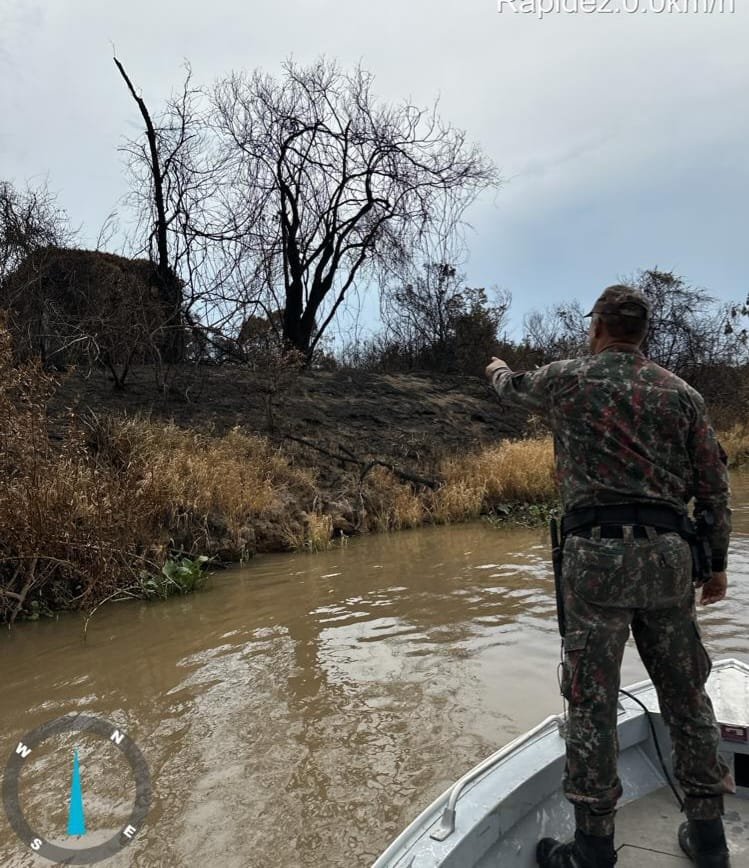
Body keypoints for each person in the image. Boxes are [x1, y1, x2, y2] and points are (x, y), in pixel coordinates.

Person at [485, 285, 735, 868]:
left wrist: (497, 368)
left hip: (594, 558)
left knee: (591, 700)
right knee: (686, 695)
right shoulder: (685, 395)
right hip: (670, 560)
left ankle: (593, 849)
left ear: (597, 327)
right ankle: (709, 838)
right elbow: (714, 489)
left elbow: (510, 389)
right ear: (642, 331)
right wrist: (717, 565)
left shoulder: (567, 378)